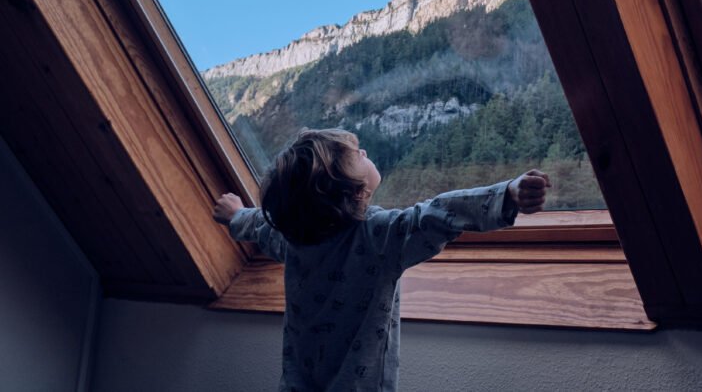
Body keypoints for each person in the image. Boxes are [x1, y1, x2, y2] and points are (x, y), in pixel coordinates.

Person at [212, 127, 550, 391]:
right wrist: (507, 194)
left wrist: (235, 214)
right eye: (355, 155)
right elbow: (436, 214)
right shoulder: (378, 236)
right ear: (357, 192)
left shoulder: (293, 236)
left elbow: (259, 224)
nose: (364, 151)